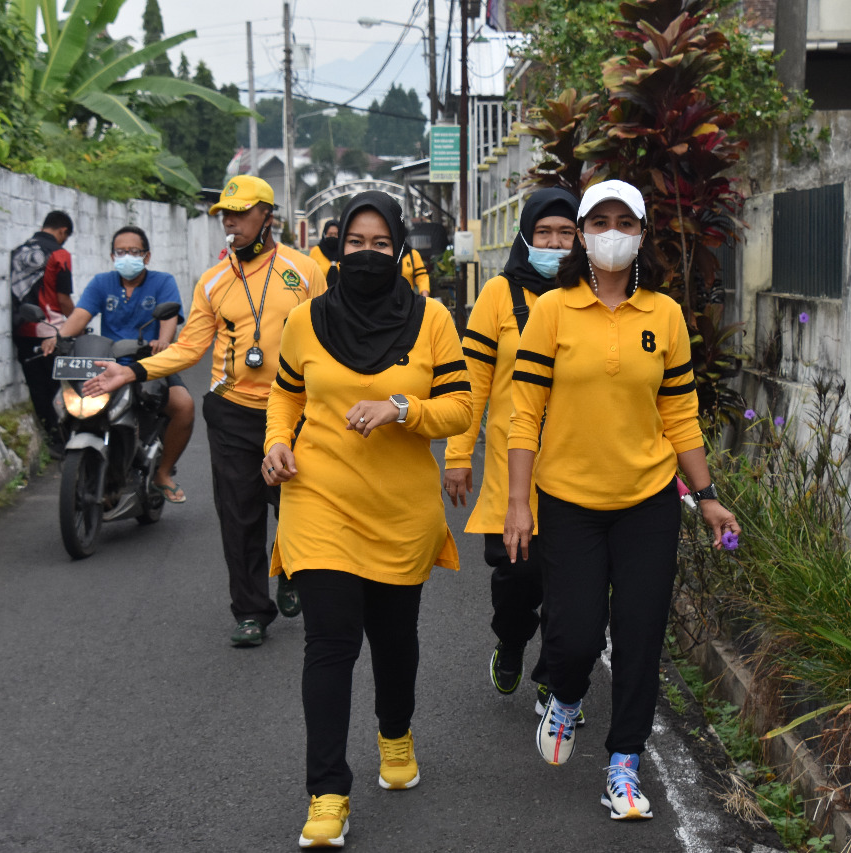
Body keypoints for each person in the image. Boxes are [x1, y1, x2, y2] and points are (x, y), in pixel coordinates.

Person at [503, 179, 740, 821]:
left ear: (641, 234)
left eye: (625, 221)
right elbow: (525, 415)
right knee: (575, 637)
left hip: (649, 502)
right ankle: (568, 695)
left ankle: (623, 767)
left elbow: (681, 415)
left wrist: (708, 496)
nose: (612, 232)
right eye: (599, 220)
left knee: (640, 636)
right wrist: (519, 503)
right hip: (569, 501)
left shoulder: (664, 315)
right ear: (582, 233)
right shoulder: (551, 311)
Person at [261, 191, 471, 848]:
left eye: (382, 244)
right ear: (336, 245)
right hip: (318, 497)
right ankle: (327, 790)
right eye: (356, 243)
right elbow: (285, 392)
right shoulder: (306, 319)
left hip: (400, 509)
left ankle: (395, 730)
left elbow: (462, 406)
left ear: (401, 247)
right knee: (329, 642)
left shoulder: (432, 319)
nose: (368, 254)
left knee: (395, 637)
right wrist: (276, 442)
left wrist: (404, 408)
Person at [83, 176, 325, 647]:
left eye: (239, 213)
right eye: (224, 215)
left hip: (296, 410)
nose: (229, 222)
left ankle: (291, 565)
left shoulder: (304, 271)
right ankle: (252, 610)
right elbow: (190, 347)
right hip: (232, 410)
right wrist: (131, 371)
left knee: (297, 503)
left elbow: (327, 336)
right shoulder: (213, 281)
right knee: (239, 512)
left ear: (266, 217)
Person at [443, 187, 583, 716]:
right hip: (512, 477)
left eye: (566, 233)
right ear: (526, 236)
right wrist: (459, 455)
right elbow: (472, 383)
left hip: (576, 474)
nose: (554, 243)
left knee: (572, 591)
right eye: (544, 232)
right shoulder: (499, 296)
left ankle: (554, 680)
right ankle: (511, 641)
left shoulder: (592, 296)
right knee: (518, 582)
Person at [42, 225, 194, 502]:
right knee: (67, 402)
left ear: (146, 256)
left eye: (134, 252)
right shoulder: (102, 283)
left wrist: (162, 342)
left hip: (150, 364)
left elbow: (168, 321)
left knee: (184, 406)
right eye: (121, 252)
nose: (127, 257)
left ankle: (162, 473)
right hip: (106, 365)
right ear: (112, 255)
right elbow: (80, 316)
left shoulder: (163, 282)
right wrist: (59, 338)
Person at [11, 210, 74, 456]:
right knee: (63, 386)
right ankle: (67, 436)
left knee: (38, 389)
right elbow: (62, 298)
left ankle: (54, 441)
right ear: (63, 231)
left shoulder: (18, 252)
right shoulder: (60, 254)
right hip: (53, 331)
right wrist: (78, 318)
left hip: (24, 330)